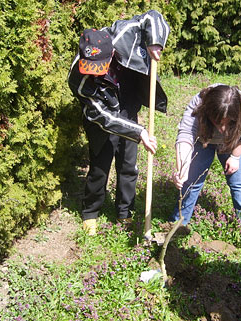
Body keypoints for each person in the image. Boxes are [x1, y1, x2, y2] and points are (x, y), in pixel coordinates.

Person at [68, 10, 170, 236]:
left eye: (101, 66)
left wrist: (155, 42)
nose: (97, 73)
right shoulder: (78, 79)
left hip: (126, 100)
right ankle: (90, 213)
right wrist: (140, 131)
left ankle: (125, 211)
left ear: (113, 52)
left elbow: (151, 17)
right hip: (100, 116)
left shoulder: (121, 34)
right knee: (99, 166)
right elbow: (104, 117)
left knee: (128, 163)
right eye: (92, 67)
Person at [171, 84, 241, 245]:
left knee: (240, 185)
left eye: (229, 122)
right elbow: (185, 136)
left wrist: (235, 156)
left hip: (232, 144)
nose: (223, 128)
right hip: (203, 139)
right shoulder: (199, 104)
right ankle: (178, 224)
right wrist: (182, 168)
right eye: (218, 122)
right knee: (191, 182)